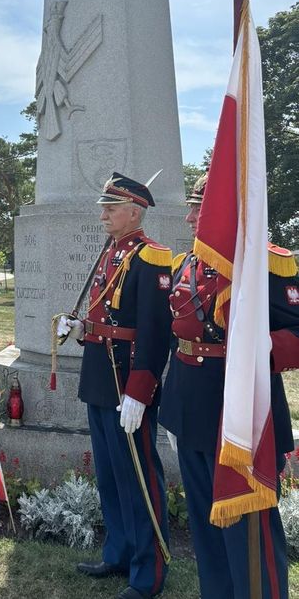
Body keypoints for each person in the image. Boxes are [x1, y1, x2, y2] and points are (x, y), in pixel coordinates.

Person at [159, 173, 299, 599]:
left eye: (199, 208)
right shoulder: (188, 265)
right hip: (191, 412)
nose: (188, 217)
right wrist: (171, 404)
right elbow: (178, 337)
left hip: (241, 417)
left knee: (250, 531)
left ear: (226, 211)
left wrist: (258, 345)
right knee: (206, 526)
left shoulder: (267, 265)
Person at [60, 173, 172, 599]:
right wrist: (81, 326)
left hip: (127, 380)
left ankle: (149, 572)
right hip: (100, 375)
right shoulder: (112, 252)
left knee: (139, 477)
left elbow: (155, 331)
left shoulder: (152, 258)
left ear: (135, 212)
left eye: (111, 207)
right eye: (103, 207)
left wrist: (140, 391)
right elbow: (106, 316)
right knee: (109, 474)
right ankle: (119, 552)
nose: (103, 214)